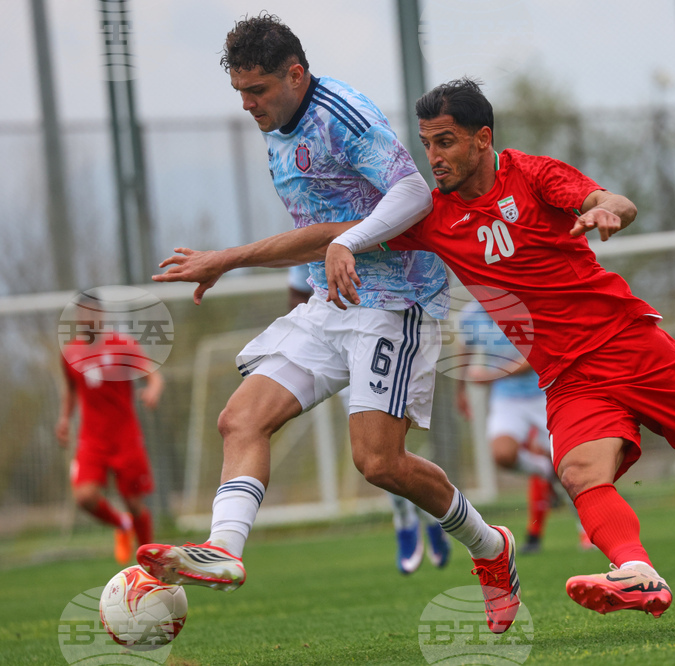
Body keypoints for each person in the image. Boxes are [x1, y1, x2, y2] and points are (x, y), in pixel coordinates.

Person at [323, 78, 675, 619]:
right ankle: (637, 571)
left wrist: (607, 211)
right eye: (426, 144)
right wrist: (260, 255)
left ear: (482, 139)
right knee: (580, 473)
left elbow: (614, 201)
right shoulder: (434, 215)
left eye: (444, 141)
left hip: (631, 344)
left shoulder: (533, 174)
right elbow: (355, 229)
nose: (433, 157)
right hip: (569, 377)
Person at [137, 16, 519, 634]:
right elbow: (317, 229)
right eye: (240, 92)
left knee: (378, 463)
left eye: (257, 90)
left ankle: (490, 547)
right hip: (330, 301)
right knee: (239, 418)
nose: (248, 104)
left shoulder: (342, 111)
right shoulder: (277, 126)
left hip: (395, 302)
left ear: (295, 74)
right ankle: (225, 551)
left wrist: (244, 255)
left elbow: (413, 195)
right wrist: (274, 262)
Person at [291, 264, 451, 573]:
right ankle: (406, 517)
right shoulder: (311, 231)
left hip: (389, 336)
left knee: (393, 450)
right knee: (373, 456)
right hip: (340, 349)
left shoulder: (375, 221)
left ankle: (435, 513)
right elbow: (297, 291)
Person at [455, 299, 589, 554]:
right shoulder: (469, 315)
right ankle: (545, 469)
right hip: (506, 398)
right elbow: (465, 351)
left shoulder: (523, 305)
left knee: (569, 466)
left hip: (545, 394)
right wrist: (460, 390)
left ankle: (587, 531)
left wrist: (492, 375)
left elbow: (535, 357)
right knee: (502, 454)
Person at [56, 294, 163, 564]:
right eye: (82, 313)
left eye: (92, 313)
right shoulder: (70, 352)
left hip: (125, 436)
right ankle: (122, 524)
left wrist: (152, 390)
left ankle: (150, 564)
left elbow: (154, 375)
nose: (87, 318)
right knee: (84, 497)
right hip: (91, 439)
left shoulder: (123, 345)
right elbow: (70, 389)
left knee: (135, 504)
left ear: (102, 315)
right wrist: (64, 419)